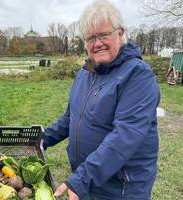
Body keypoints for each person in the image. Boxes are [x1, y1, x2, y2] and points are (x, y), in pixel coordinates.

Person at [42, 0, 160, 199]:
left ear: (120, 33)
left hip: (120, 189)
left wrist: (82, 179)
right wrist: (41, 138)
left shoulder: (138, 75)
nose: (97, 43)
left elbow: (125, 136)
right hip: (89, 180)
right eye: (90, 38)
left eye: (103, 35)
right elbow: (71, 117)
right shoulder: (85, 73)